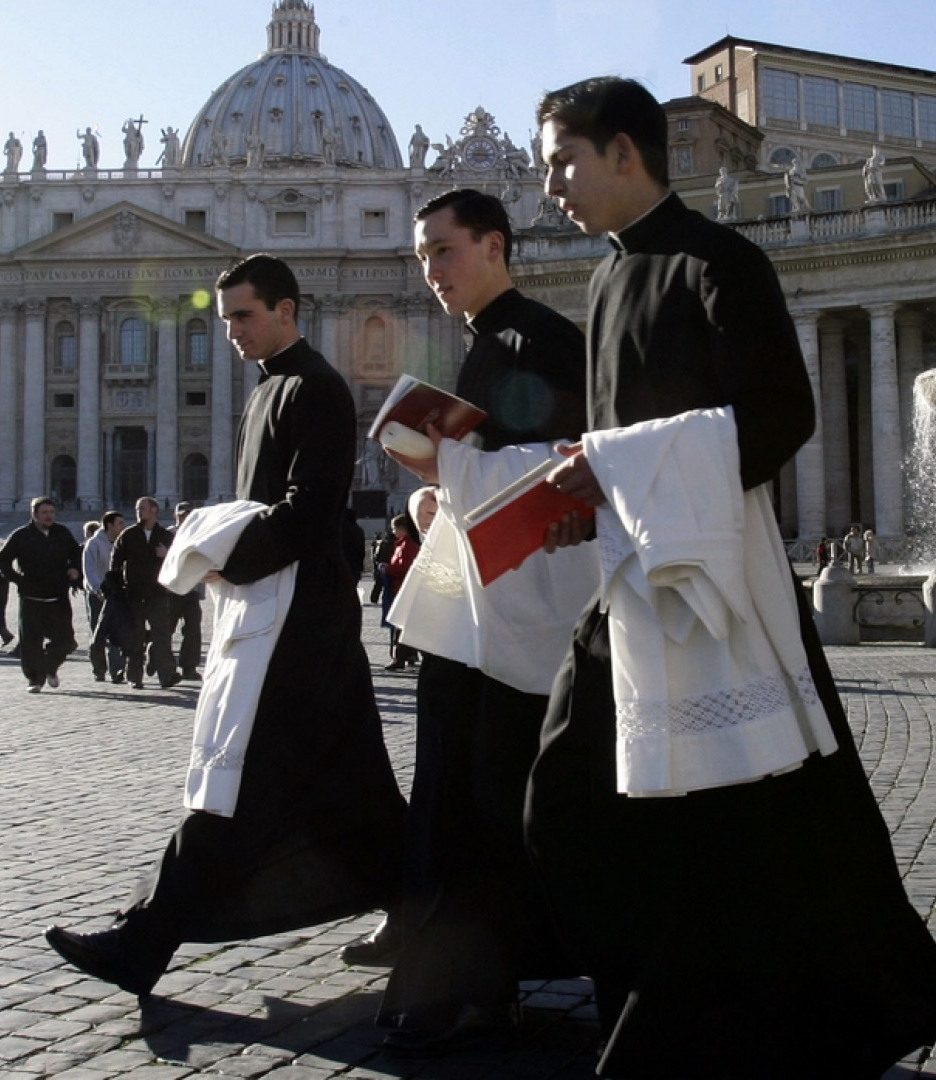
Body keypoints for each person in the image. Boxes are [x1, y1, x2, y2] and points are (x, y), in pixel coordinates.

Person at [526, 76, 936, 1079]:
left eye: (563, 160)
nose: (549, 183)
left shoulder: (723, 260)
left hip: (715, 582)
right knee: (568, 800)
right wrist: (583, 490)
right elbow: (615, 442)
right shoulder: (603, 280)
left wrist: (622, 469)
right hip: (633, 579)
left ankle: (677, 1029)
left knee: (730, 822)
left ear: (625, 152)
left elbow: (782, 418)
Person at [43, 254, 405, 998]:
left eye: (243, 316)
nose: (232, 332)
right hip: (287, 615)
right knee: (358, 794)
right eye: (225, 320)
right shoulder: (269, 390)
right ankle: (430, 911)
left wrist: (221, 554)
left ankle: (143, 942)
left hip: (297, 626)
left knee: (233, 787)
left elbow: (308, 515)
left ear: (285, 309)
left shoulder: (319, 391)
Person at [367, 186, 589, 1054]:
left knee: (486, 797)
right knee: (456, 793)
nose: (431, 272)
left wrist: (450, 468)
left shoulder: (540, 341)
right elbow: (493, 466)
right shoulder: (485, 344)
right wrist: (437, 489)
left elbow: (561, 467)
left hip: (517, 614)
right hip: (478, 605)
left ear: (494, 245)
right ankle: (460, 979)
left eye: (444, 251)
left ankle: (472, 985)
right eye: (422, 258)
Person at [0, 497, 83, 691]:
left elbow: (76, 554)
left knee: (66, 640)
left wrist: (74, 569)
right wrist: (18, 579)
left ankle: (50, 666)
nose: (49, 516)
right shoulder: (21, 535)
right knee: (31, 642)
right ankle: (35, 679)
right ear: (34, 514)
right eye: (44, 513)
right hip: (31, 597)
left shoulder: (62, 533)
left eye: (51, 512)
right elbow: (2, 560)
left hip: (58, 596)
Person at [112, 496, 177, 689]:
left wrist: (168, 555)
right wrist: (117, 589)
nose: (139, 512)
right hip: (133, 594)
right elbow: (115, 563)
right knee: (135, 636)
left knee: (162, 636)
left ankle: (168, 675)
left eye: (143, 508)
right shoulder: (128, 535)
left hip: (158, 593)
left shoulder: (165, 536)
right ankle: (134, 676)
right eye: (137, 509)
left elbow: (178, 561)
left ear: (154, 511)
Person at [83, 512, 129, 683]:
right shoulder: (93, 544)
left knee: (117, 632)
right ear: (109, 525)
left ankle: (117, 670)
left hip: (116, 595)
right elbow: (90, 570)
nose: (123, 527)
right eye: (120, 523)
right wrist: (98, 590)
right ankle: (99, 669)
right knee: (97, 633)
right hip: (96, 595)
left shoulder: (123, 543)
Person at [380, 513, 420, 672]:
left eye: (394, 529)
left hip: (402, 588)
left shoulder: (407, 545)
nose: (393, 532)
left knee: (401, 624)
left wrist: (387, 569)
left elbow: (404, 568)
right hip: (398, 587)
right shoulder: (402, 544)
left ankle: (400, 657)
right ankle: (405, 655)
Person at [170, 502, 204, 681]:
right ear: (175, 516)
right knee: (165, 629)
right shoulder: (168, 534)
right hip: (171, 590)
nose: (185, 518)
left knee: (193, 629)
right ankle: (160, 660)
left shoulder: (200, 535)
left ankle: (189, 667)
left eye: (188, 515)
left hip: (191, 590)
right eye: (182, 515)